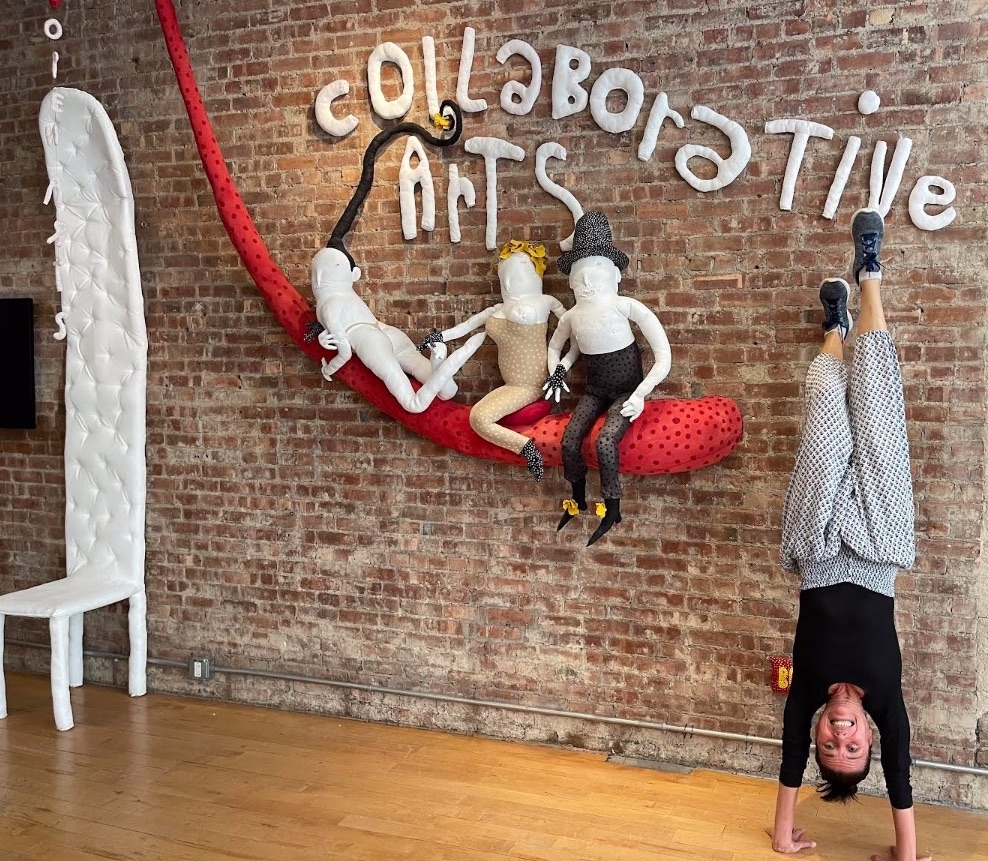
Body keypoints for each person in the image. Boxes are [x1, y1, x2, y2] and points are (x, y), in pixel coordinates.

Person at [770, 209, 930, 861]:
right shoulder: (886, 699)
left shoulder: (806, 690)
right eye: (854, 745)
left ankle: (833, 329)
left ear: (819, 734)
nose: (842, 737)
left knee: (823, 396)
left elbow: (785, 765)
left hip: (818, 541)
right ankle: (869, 271)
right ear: (869, 733)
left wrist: (782, 834)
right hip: (884, 538)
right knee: (874, 394)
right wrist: (906, 853)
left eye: (830, 746)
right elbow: (904, 781)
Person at [542, 211, 671, 545]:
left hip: (626, 391)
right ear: (571, 280)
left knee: (605, 441)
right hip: (595, 389)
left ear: (613, 274)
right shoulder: (571, 316)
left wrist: (641, 394)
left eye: (594, 272)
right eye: (580, 275)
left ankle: (613, 505)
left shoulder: (626, 306)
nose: (586, 283)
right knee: (569, 440)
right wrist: (558, 370)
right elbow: (556, 347)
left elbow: (663, 356)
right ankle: (578, 497)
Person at [418, 239, 579, 481]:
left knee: (479, 418)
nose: (510, 281)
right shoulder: (495, 309)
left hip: (530, 385)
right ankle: (525, 447)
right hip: (510, 385)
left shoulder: (546, 302)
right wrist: (437, 337)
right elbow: (464, 327)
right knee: (476, 417)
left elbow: (576, 336)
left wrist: (560, 369)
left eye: (519, 270)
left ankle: (527, 448)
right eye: (506, 274)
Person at [312, 243, 485, 414]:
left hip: (369, 339)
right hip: (389, 332)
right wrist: (325, 335)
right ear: (353, 275)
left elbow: (345, 353)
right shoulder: (347, 295)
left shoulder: (328, 306)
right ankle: (438, 360)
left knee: (413, 404)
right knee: (448, 391)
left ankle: (442, 359)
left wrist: (328, 369)